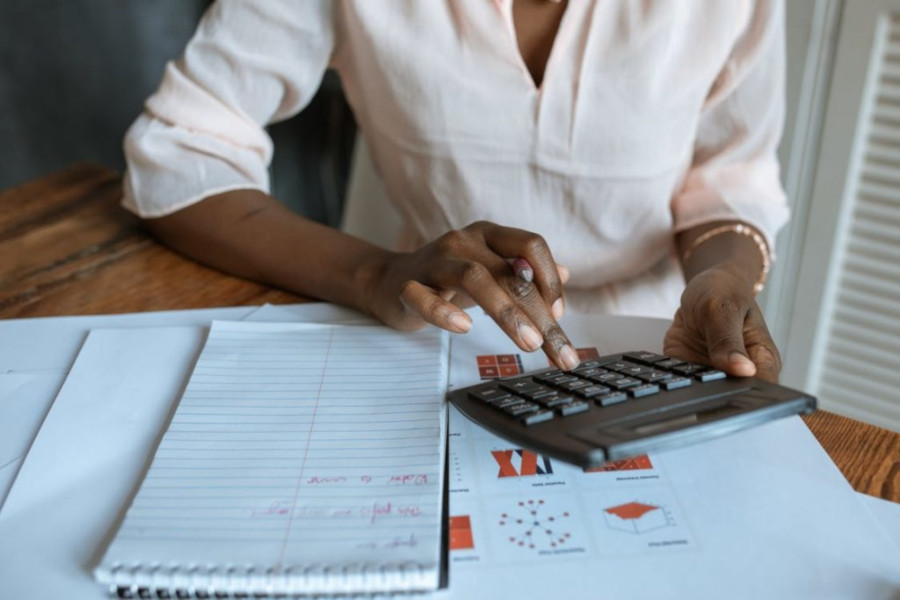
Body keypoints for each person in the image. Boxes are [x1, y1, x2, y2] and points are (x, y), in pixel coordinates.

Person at [123, 0, 787, 380]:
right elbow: (179, 150)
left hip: (660, 348)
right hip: (434, 334)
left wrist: (724, 275)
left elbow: (731, 176)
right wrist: (374, 274)